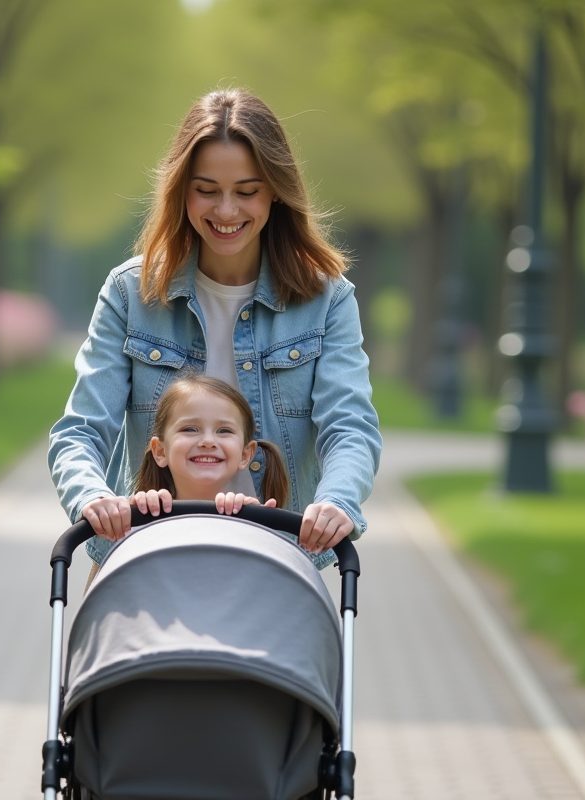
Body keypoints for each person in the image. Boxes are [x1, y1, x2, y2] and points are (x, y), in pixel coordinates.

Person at [48, 86, 382, 571]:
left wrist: (336, 502)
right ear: (181, 190)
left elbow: (349, 427)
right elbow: (80, 431)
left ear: (276, 191)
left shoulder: (326, 299)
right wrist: (93, 497)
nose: (226, 211)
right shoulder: (130, 293)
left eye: (246, 192)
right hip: (145, 557)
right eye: (206, 190)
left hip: (277, 562)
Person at [130, 375, 288, 518]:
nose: (208, 441)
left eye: (224, 431)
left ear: (245, 455)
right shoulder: (138, 516)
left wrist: (252, 524)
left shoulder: (251, 520)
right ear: (160, 451)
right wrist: (132, 513)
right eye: (190, 429)